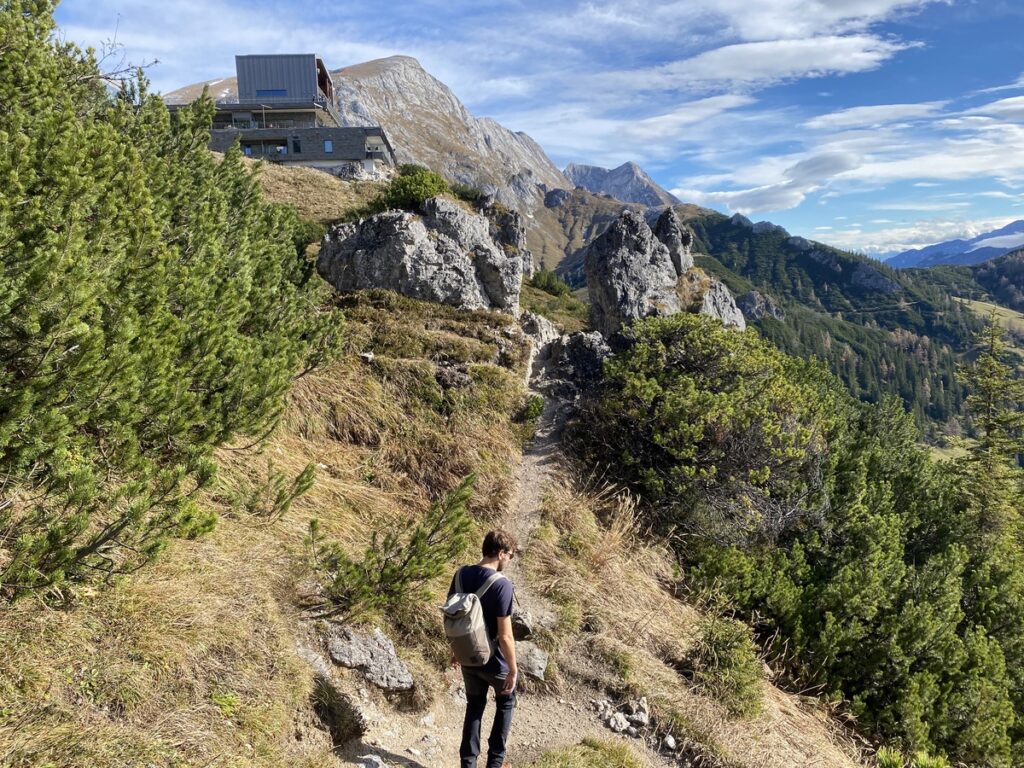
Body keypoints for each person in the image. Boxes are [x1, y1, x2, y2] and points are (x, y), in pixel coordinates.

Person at [449, 529, 518, 768]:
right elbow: (506, 636)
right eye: (510, 555)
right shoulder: (502, 585)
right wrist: (513, 669)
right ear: (500, 553)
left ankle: (468, 764)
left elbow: (453, 616)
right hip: (495, 661)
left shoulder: (460, 575)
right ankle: (495, 764)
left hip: (469, 658)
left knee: (474, 707)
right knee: (506, 703)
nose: (509, 560)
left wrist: (456, 651)